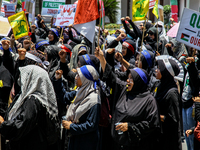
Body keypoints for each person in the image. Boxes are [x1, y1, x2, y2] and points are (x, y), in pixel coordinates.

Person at [95, 47, 160, 150]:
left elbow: (152, 124)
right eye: (128, 78)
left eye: (132, 79)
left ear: (139, 82)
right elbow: (111, 77)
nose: (128, 81)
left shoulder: (149, 100)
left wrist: (130, 127)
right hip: (117, 143)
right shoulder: (124, 90)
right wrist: (102, 57)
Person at [0, 65, 60, 150]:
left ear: (31, 79)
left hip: (29, 144)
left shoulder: (32, 101)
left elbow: (22, 125)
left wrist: (4, 125)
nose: (20, 79)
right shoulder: (39, 99)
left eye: (24, 76)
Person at [62, 65, 101, 150]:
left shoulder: (94, 99)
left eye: (78, 75)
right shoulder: (80, 92)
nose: (75, 78)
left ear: (85, 79)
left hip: (86, 142)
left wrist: (72, 127)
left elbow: (92, 125)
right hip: (76, 139)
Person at [155, 55, 182, 150]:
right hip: (161, 135)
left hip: (170, 139)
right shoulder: (160, 87)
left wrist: (157, 116)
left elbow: (173, 119)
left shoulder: (171, 93)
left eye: (159, 68)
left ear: (165, 72)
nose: (156, 70)